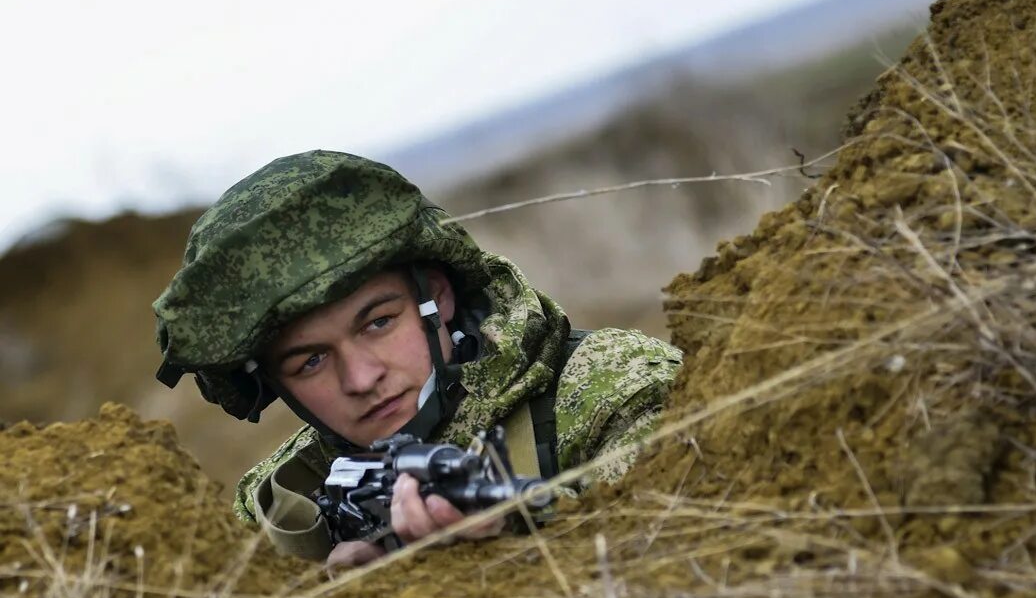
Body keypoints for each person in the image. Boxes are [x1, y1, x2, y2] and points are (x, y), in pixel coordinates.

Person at [152, 150, 682, 567]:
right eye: (310, 362)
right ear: (272, 381)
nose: (361, 379)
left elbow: (683, 536)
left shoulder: (613, 388)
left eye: (378, 323)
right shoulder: (280, 504)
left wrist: (502, 539)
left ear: (436, 296)